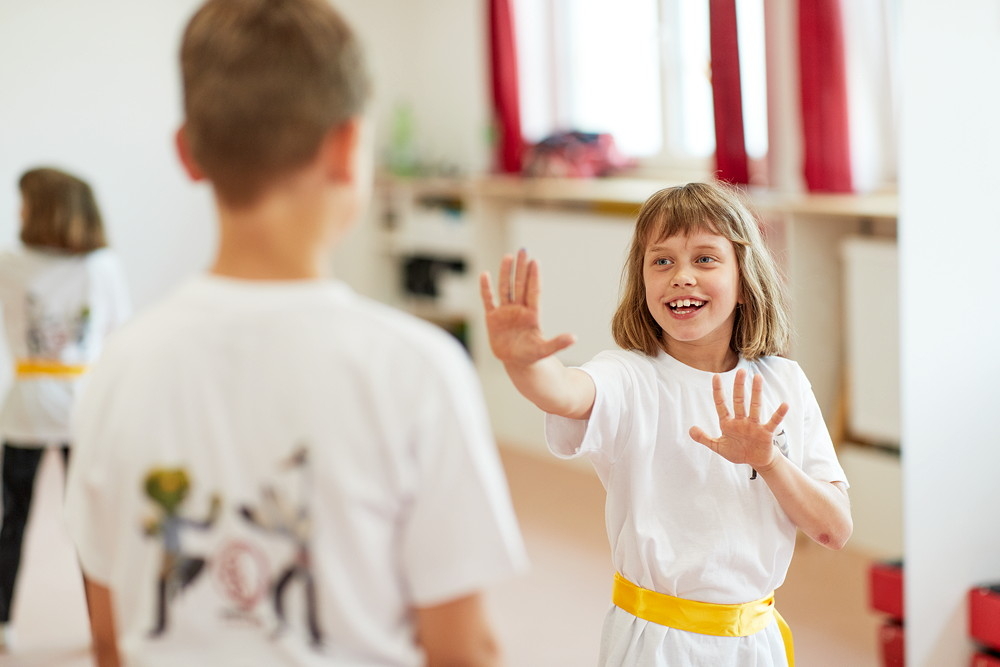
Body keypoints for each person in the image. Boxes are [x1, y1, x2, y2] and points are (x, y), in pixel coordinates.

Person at [63, 1, 527, 666]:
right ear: (345, 149)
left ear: (187, 153)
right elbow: (465, 648)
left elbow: (110, 634)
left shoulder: (115, 367)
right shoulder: (418, 369)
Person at [479, 181, 852, 666]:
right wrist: (523, 365)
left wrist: (769, 460)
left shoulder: (785, 381)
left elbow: (835, 529)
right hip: (657, 644)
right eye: (662, 261)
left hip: (757, 644)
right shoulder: (629, 375)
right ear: (643, 281)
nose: (681, 276)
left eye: (705, 259)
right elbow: (566, 393)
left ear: (745, 280)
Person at [0, 167, 131, 652]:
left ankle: (3, 624)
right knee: (89, 522)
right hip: (77, 408)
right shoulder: (102, 266)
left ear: (48, 208)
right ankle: (105, 630)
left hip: (38, 408)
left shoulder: (13, 264)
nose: (19, 212)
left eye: (26, 202)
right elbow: (120, 333)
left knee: (16, 519)